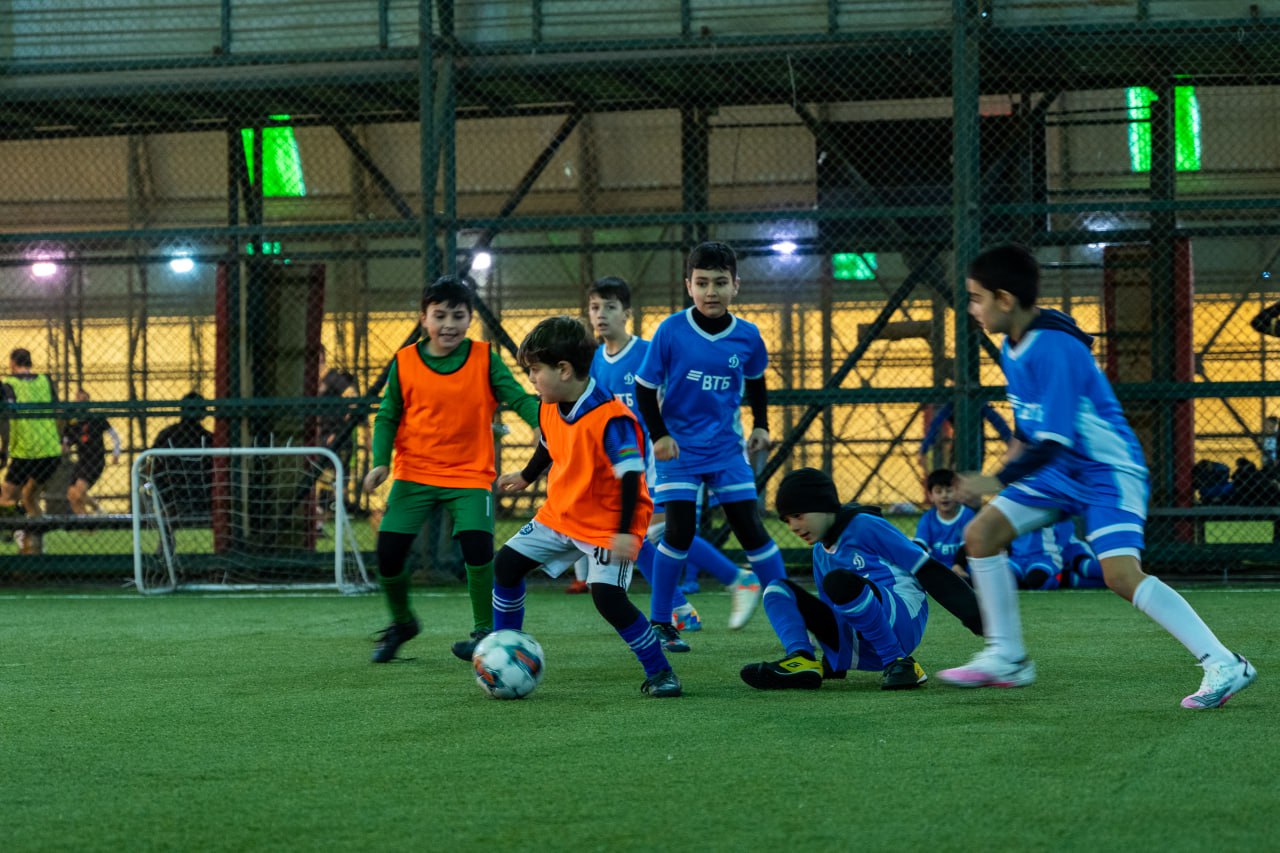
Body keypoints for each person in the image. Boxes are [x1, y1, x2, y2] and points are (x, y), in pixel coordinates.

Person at [940, 244, 1256, 709]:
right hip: (1057, 470)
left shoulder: (1054, 348)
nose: (972, 308)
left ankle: (1224, 662)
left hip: (1106, 470)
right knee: (982, 534)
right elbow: (1031, 431)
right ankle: (1007, 656)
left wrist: (996, 480)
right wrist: (1003, 471)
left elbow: (1055, 438)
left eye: (976, 298)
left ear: (1004, 299)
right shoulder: (1013, 345)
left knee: (1120, 575)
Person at [460, 315, 682, 697]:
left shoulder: (612, 420)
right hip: (561, 513)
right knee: (507, 566)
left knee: (608, 598)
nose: (530, 378)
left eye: (534, 370)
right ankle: (504, 645)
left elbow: (631, 477)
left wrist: (628, 532)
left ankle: (662, 672)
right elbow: (548, 443)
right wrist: (528, 476)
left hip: (607, 524)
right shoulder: (550, 402)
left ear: (563, 370)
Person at [362, 276, 540, 664]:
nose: (448, 324)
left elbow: (516, 396)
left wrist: (545, 423)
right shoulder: (406, 361)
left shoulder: (483, 357)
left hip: (469, 475)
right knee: (388, 554)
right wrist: (379, 462)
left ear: (470, 319)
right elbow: (388, 416)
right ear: (423, 318)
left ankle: (484, 632)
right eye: (439, 315)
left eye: (457, 316)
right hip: (414, 473)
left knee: (477, 549)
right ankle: (403, 623)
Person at [585, 275, 761, 634]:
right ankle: (681, 607)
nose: (601, 315)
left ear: (627, 314)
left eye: (610, 307)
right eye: (594, 308)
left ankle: (732, 579)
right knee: (641, 537)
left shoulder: (647, 350)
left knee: (660, 532)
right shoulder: (596, 362)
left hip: (660, 457)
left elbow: (671, 396)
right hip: (622, 465)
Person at [633, 241, 785, 652]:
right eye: (702, 283)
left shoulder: (748, 337)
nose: (711, 291)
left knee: (752, 530)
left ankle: (792, 617)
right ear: (689, 286)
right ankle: (662, 621)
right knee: (678, 532)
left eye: (720, 282)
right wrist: (660, 435)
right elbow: (645, 390)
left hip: (725, 449)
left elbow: (756, 379)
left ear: (736, 285)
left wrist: (762, 424)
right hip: (678, 452)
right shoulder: (670, 331)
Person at [739, 467, 984, 691]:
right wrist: (834, 654)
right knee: (777, 589)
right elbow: (830, 605)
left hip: (901, 622)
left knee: (841, 582)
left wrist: (976, 616)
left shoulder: (865, 525)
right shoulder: (819, 552)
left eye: (798, 515)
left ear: (823, 505)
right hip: (862, 643)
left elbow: (927, 569)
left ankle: (900, 663)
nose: (792, 526)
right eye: (786, 520)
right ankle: (802, 659)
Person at [0, 349, 64, 554]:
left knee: (6, 497)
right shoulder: (45, 380)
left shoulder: (9, 384)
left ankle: (19, 532)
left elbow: (5, 420)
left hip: (25, 452)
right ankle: (36, 549)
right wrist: (60, 439)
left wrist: (4, 449)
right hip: (50, 451)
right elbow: (59, 412)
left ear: (12, 363)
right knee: (29, 496)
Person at [917, 401, 1013, 481]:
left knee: (968, 479)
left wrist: (1011, 442)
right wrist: (924, 449)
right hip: (962, 446)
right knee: (959, 478)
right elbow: (936, 424)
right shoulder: (954, 403)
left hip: (974, 446)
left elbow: (997, 421)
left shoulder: (976, 401)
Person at [63, 388, 122, 515]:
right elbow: (67, 438)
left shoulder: (96, 418)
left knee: (78, 492)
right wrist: (65, 445)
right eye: (78, 398)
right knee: (72, 494)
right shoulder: (73, 421)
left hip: (95, 460)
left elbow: (114, 435)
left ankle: (92, 517)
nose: (80, 401)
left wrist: (116, 453)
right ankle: (91, 518)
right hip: (82, 460)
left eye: (83, 399)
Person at [913, 468, 975, 568]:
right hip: (938, 571)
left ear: (958, 492)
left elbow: (967, 546)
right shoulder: (928, 518)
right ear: (930, 496)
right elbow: (920, 545)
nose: (944, 495)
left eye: (949, 490)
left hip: (962, 569)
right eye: (938, 491)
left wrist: (958, 566)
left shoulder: (967, 515)